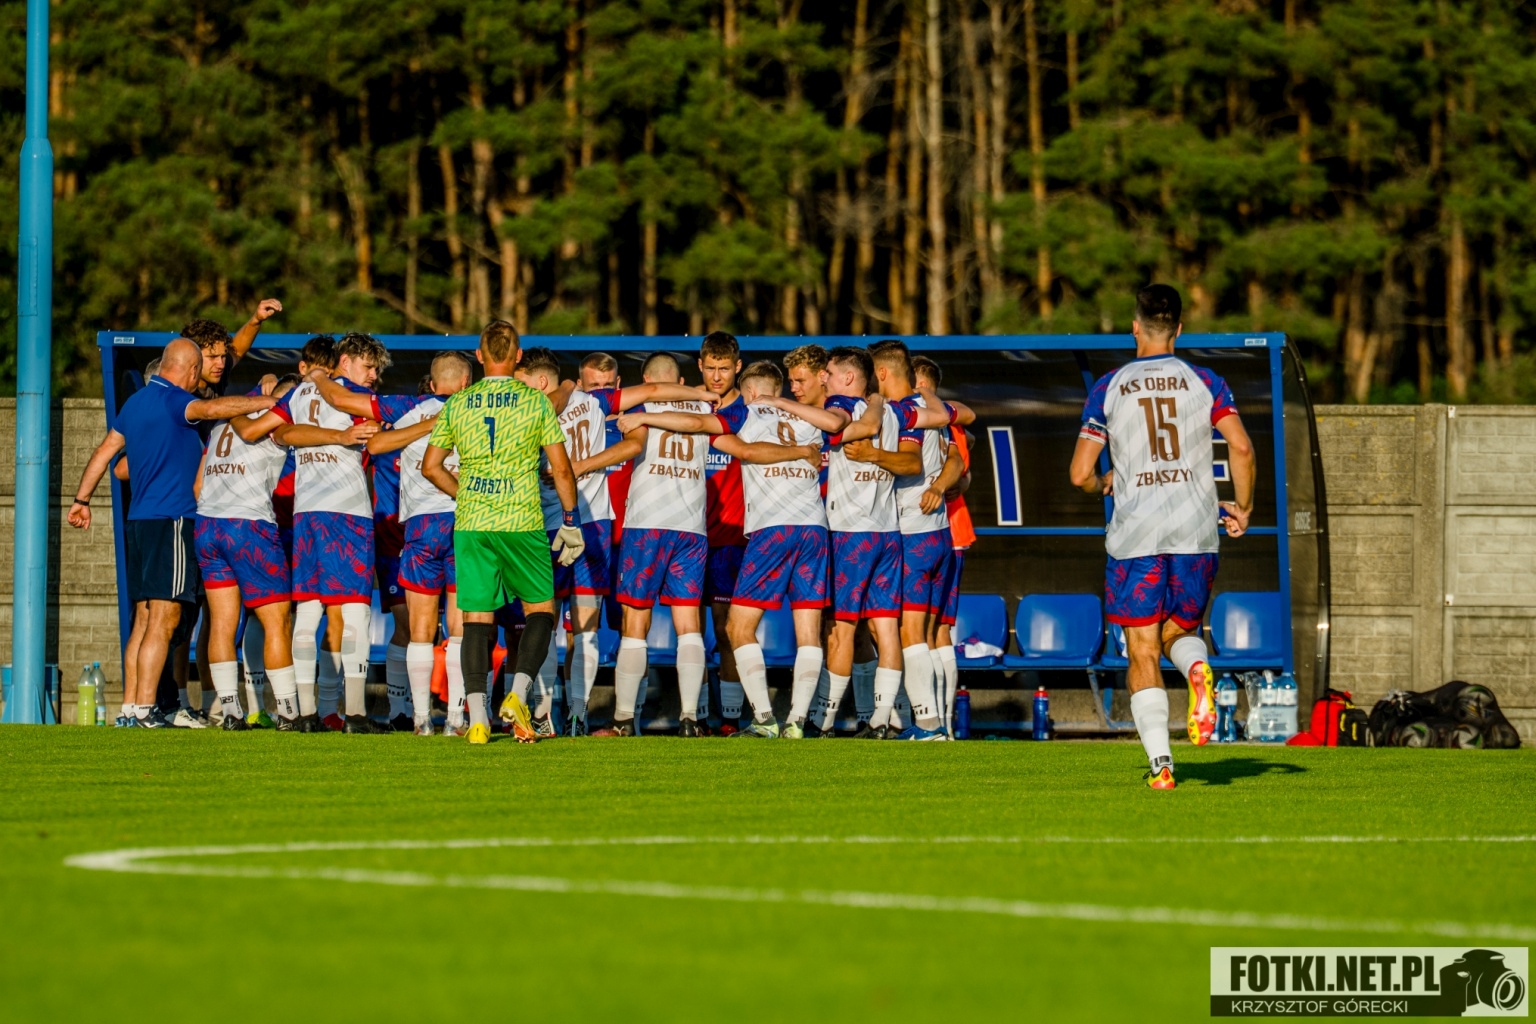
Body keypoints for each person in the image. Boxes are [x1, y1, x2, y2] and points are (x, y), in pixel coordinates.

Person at [1070, 284, 1256, 789]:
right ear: (1178, 330)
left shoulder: (1110, 385)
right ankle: (1197, 669)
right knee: (1179, 632)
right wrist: (1242, 507)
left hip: (1137, 537)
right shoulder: (1205, 380)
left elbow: (1080, 473)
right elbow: (1241, 447)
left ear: (1135, 327)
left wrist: (1102, 483)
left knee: (1143, 649)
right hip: (1196, 533)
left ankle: (1162, 765)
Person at [67, 339, 274, 727]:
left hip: (140, 523)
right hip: (173, 521)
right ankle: (147, 709)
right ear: (192, 370)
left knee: (144, 621)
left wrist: (82, 499)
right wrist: (271, 402)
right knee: (165, 619)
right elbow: (212, 408)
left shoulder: (136, 403)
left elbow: (105, 452)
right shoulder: (177, 400)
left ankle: (131, 708)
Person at [516, 347, 721, 736]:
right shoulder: (603, 405)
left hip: (591, 526)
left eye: (607, 384)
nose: (602, 389)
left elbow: (636, 437)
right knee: (602, 628)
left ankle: (580, 717)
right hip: (623, 526)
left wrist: (575, 457)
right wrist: (706, 394)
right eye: (596, 384)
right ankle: (681, 716)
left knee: (561, 622)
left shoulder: (545, 408)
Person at [618, 361, 825, 738]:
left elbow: (713, 434)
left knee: (732, 627)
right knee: (806, 630)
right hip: (811, 528)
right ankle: (793, 721)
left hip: (756, 530)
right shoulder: (812, 418)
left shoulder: (739, 413)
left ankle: (759, 719)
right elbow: (843, 422)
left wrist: (643, 417)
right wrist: (802, 449)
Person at [421, 320, 584, 746]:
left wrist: (467, 494)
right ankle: (517, 693)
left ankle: (477, 719)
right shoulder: (535, 402)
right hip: (522, 520)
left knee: (476, 619)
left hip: (473, 522)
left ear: (479, 356)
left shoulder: (459, 403)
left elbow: (431, 467)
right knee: (541, 611)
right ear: (517, 356)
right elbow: (561, 469)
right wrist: (570, 519)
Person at [197, 378, 372, 730]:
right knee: (278, 621)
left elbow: (197, 485)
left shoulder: (220, 425)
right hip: (250, 526)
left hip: (207, 524)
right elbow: (284, 432)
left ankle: (231, 711)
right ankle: (290, 713)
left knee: (222, 623)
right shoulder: (273, 421)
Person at [270, 333, 389, 733]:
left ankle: (306, 715)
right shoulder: (355, 397)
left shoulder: (301, 393)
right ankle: (355, 713)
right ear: (346, 360)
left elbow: (280, 434)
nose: (373, 376)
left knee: (308, 611)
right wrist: (342, 436)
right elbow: (377, 438)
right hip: (347, 512)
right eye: (368, 367)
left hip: (306, 513)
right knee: (354, 610)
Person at [844, 340, 958, 740]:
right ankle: (906, 719)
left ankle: (927, 725)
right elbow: (957, 458)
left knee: (907, 633)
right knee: (910, 632)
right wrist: (940, 486)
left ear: (882, 373)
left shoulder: (905, 412)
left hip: (913, 533)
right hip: (938, 534)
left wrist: (871, 455)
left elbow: (911, 463)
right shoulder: (931, 410)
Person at [366, 351, 473, 736]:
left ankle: (421, 718)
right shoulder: (476, 410)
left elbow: (376, 445)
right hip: (465, 520)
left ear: (431, 382)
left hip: (422, 525)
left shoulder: (412, 411)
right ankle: (456, 719)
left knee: (420, 628)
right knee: (460, 628)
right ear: (466, 383)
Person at [912, 355, 976, 734]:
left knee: (930, 628)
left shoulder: (944, 425)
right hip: (944, 533)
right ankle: (938, 721)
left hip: (942, 532)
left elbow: (959, 475)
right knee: (932, 629)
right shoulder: (945, 426)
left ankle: (938, 721)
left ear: (923, 385)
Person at [697, 332, 750, 732]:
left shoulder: (750, 413)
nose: (717, 377)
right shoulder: (687, 411)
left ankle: (731, 718)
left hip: (730, 539)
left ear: (738, 367)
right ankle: (695, 714)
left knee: (725, 629)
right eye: (710, 368)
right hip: (688, 535)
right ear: (700, 366)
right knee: (689, 630)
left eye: (724, 369)